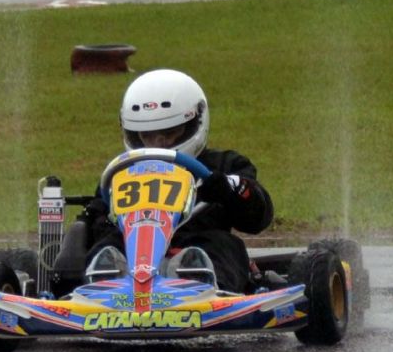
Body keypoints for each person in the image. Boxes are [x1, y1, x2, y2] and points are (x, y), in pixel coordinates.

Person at [76, 69, 274, 294]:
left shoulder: (223, 165)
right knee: (106, 246)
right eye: (147, 135)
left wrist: (227, 189)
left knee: (225, 246)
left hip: (199, 244)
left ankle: (196, 279)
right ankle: (103, 287)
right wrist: (95, 218)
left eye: (168, 133)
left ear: (196, 121)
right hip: (133, 251)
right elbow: (99, 217)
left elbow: (258, 217)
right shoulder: (122, 172)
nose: (157, 143)